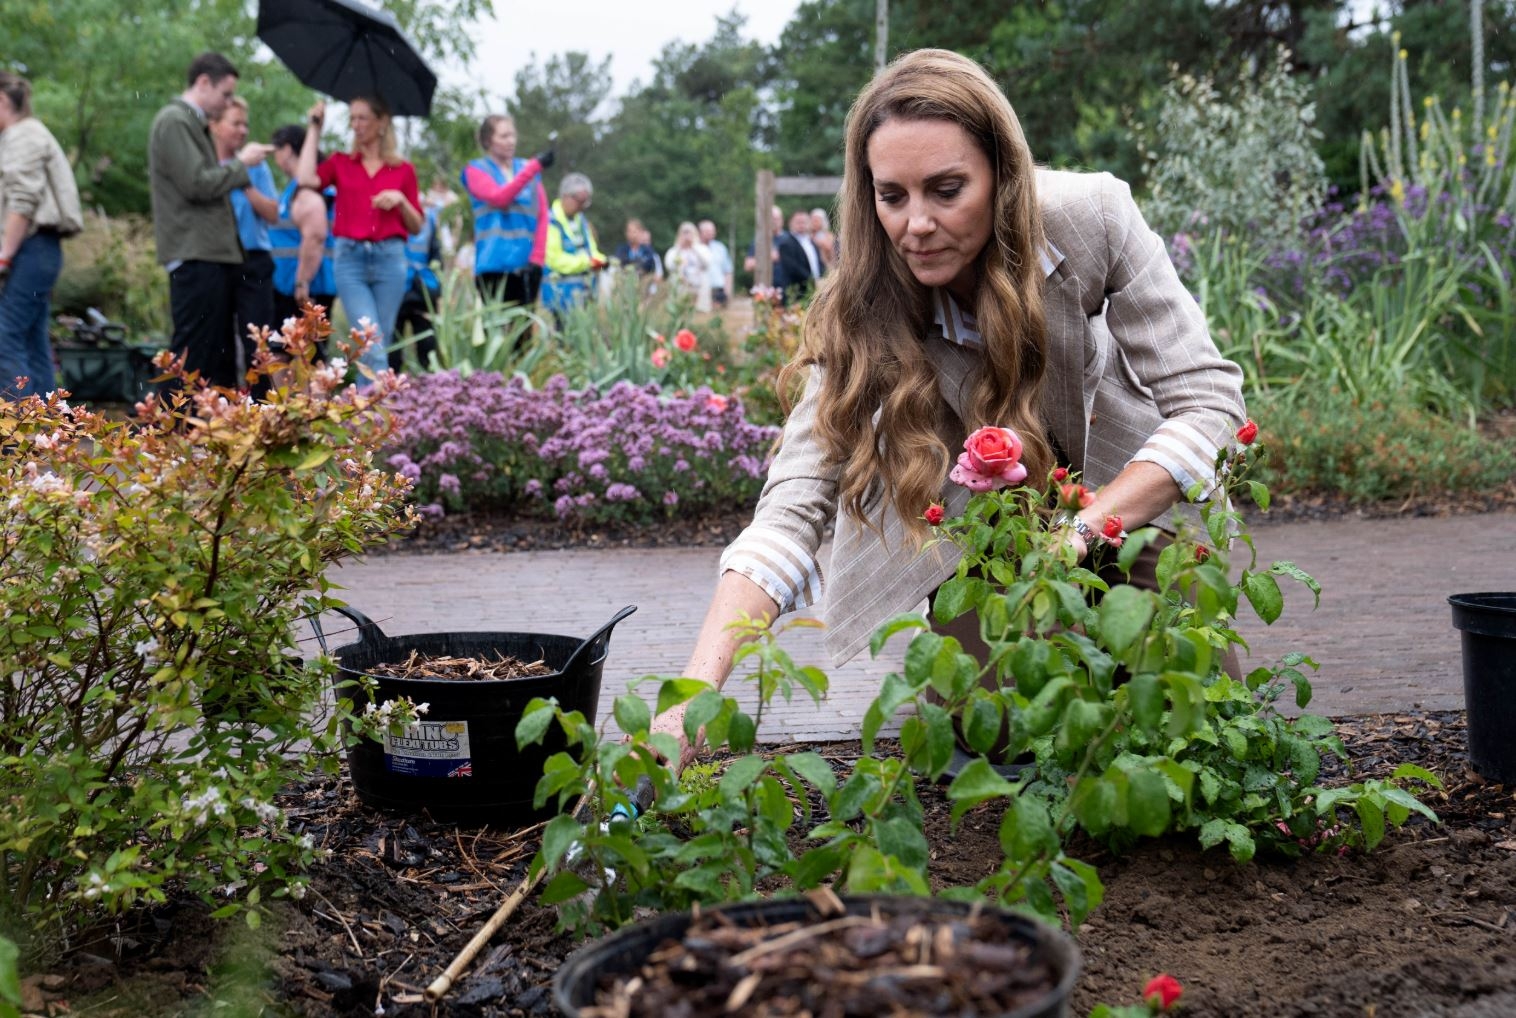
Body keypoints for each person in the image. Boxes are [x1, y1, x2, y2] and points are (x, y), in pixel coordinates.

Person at [653, 49, 1246, 769]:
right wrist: (690, 699)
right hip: (982, 535)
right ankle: (961, 683)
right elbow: (792, 505)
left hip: (1117, 496)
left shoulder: (1091, 216)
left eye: (946, 190)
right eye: (892, 196)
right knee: (1003, 737)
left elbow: (1209, 402)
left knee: (1195, 720)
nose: (917, 225)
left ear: (1001, 175)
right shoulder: (862, 304)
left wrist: (1078, 535)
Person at [148, 52, 273, 391]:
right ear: (204, 82)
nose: (228, 102)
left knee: (208, 357)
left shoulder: (191, 122)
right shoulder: (176, 121)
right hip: (194, 254)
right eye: (226, 94)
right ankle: (167, 421)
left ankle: (187, 421)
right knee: (190, 355)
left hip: (206, 254)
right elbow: (197, 184)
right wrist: (241, 165)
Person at [297, 95, 422, 379]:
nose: (355, 125)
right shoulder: (341, 162)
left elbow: (417, 226)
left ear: (381, 122)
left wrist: (401, 200)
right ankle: (380, 401)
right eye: (352, 118)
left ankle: (368, 401)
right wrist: (314, 128)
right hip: (350, 260)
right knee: (369, 339)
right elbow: (305, 179)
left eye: (362, 118)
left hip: (390, 259)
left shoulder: (403, 170)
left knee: (379, 340)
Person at [0, 71, 82, 400]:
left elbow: (23, 201)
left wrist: (4, 255)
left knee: (4, 338)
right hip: (38, 250)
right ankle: (50, 424)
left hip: (31, 249)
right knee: (33, 342)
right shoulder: (25, 134)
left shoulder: (24, 135)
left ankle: (18, 424)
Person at [209, 96, 278, 391]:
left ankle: (261, 407)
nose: (243, 130)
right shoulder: (205, 169)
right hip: (216, 260)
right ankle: (223, 407)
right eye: (235, 123)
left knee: (257, 342)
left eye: (245, 124)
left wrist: (244, 180)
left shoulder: (257, 167)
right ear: (215, 125)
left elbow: (273, 213)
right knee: (219, 341)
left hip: (254, 259)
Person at [461, 114, 551, 306]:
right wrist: (533, 168)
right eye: (504, 136)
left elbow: (542, 215)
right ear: (488, 140)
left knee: (524, 324)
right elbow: (499, 198)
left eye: (513, 135)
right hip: (494, 264)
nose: (511, 141)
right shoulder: (476, 170)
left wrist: (538, 258)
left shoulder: (527, 168)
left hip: (526, 263)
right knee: (498, 323)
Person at [268, 124, 336, 327]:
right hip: (295, 283)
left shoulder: (306, 188)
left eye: (276, 151)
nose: (275, 158)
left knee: (300, 344)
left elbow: (315, 236)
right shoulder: (300, 187)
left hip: (303, 287)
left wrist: (302, 282)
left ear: (287, 150)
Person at [541, 173, 605, 317]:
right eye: (580, 202)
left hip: (585, 296)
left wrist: (601, 262)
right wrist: (587, 263)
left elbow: (591, 251)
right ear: (566, 196)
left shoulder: (581, 221)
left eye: (586, 202)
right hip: (560, 299)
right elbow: (554, 260)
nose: (583, 207)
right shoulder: (550, 222)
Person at [391, 195, 442, 372]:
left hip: (422, 290)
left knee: (427, 343)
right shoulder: (390, 215)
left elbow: (436, 255)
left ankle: (426, 381)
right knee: (392, 344)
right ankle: (393, 381)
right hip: (395, 289)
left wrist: (436, 284)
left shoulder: (429, 219)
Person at [664, 220, 711, 312]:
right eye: (684, 233)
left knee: (697, 311)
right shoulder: (673, 251)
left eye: (689, 233)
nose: (687, 236)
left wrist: (693, 247)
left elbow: (707, 264)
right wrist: (679, 247)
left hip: (698, 285)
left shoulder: (702, 249)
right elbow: (669, 266)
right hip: (680, 285)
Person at [776, 207, 820, 303]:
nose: (801, 225)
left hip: (814, 291)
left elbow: (818, 264)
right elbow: (793, 269)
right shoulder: (786, 243)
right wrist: (813, 280)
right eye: (798, 222)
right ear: (790, 223)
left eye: (804, 222)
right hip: (796, 294)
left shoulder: (812, 242)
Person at [699, 219, 733, 307]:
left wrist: (727, 292)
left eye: (712, 231)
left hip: (718, 289)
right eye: (707, 231)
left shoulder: (720, 248)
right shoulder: (695, 248)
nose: (711, 233)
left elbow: (727, 271)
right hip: (700, 289)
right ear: (700, 232)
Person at [810, 207, 837, 273]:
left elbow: (830, 248)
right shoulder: (807, 235)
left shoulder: (829, 236)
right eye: (812, 220)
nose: (813, 223)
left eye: (816, 220)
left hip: (827, 266)